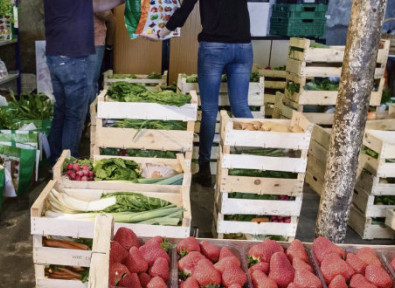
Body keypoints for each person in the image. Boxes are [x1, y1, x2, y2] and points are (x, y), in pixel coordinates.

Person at [149, 0, 253, 187]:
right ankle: (254, 165)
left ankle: (204, 169)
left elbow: (184, 10)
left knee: (209, 110)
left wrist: (161, 34)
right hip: (244, 46)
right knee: (241, 106)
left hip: (214, 47)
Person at [43, 0, 124, 163]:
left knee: (61, 110)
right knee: (74, 114)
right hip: (72, 58)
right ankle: (68, 164)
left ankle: (55, 161)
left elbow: (96, 6)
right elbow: (99, 6)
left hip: (56, 56)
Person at [90, 11, 113, 98]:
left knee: (90, 82)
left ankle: (89, 110)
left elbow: (109, 17)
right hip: (73, 41)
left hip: (95, 42)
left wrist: (109, 46)